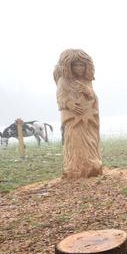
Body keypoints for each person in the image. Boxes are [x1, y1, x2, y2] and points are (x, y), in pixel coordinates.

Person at [54, 49, 102, 179]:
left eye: (82, 65)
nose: (79, 68)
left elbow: (93, 98)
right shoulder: (63, 81)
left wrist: (89, 92)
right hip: (73, 120)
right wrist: (69, 104)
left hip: (88, 119)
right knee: (76, 142)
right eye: (76, 65)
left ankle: (93, 165)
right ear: (69, 66)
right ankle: (77, 167)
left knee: (91, 141)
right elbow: (60, 98)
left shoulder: (87, 81)